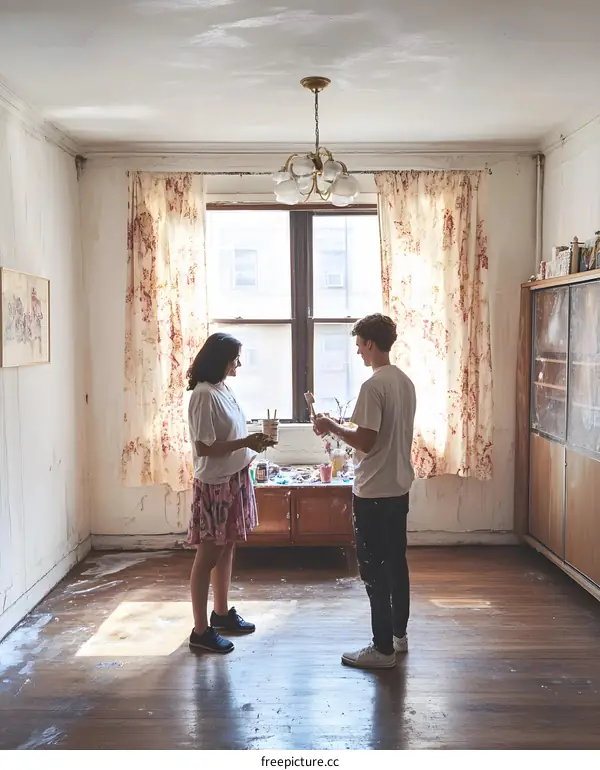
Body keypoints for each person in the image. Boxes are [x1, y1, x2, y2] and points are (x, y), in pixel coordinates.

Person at [313, 314, 416, 670]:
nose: (357, 351)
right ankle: (399, 636)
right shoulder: (404, 382)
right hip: (399, 488)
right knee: (397, 564)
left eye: (359, 345)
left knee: (374, 571)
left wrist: (331, 427)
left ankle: (382, 648)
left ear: (370, 343)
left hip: (373, 492)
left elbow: (367, 442)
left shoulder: (374, 387)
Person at [186, 332, 274, 654]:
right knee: (208, 555)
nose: (238, 363)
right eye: (234, 358)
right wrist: (245, 443)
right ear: (220, 359)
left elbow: (230, 433)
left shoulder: (224, 388)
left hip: (234, 477)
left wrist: (250, 444)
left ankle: (220, 614)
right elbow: (204, 446)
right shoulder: (203, 394)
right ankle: (200, 630)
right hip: (215, 484)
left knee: (227, 548)